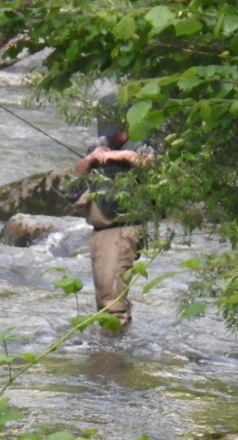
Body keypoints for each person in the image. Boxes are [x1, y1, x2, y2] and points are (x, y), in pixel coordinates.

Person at [72, 93, 154, 329]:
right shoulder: (98, 146)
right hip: (99, 229)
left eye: (116, 131)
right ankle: (114, 345)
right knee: (105, 294)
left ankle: (112, 356)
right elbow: (76, 177)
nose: (111, 137)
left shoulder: (142, 145)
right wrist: (90, 160)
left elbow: (155, 165)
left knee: (112, 299)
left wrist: (125, 156)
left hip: (122, 229)